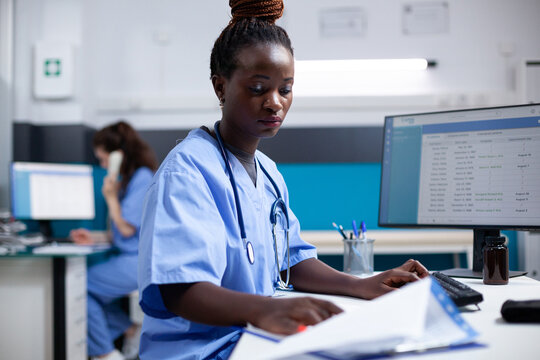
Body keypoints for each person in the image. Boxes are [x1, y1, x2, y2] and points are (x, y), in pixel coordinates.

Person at [137, 1, 429, 359]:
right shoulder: (187, 172)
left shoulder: (270, 174)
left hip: (255, 339)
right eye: (259, 88)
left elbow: (291, 260)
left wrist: (361, 285)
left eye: (285, 89)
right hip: (204, 350)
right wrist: (265, 310)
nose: (275, 103)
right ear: (220, 87)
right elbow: (179, 291)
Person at [70, 121, 157, 360]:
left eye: (103, 159)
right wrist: (94, 237)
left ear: (118, 155)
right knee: (89, 291)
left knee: (79, 288)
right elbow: (122, 231)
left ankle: (106, 354)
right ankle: (130, 330)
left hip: (137, 261)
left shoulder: (142, 177)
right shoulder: (130, 180)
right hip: (128, 256)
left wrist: (110, 197)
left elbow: (127, 229)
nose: (103, 164)